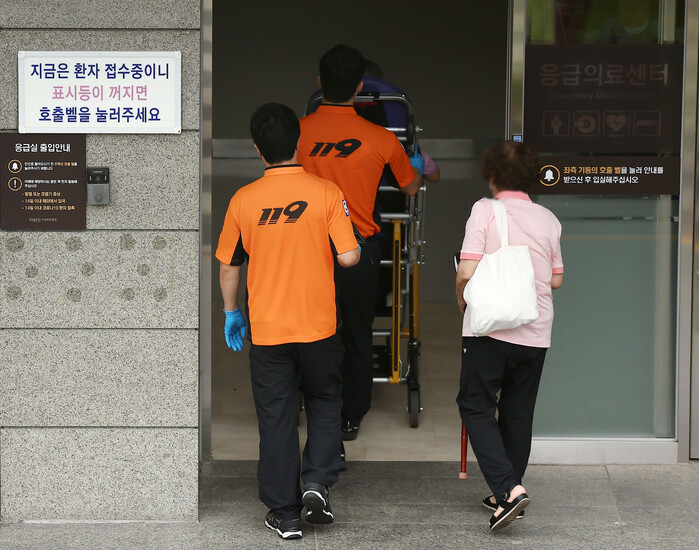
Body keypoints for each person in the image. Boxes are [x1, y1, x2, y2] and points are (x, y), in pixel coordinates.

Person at [216, 103, 360, 540]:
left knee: (276, 416)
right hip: (319, 327)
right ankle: (317, 483)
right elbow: (348, 257)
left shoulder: (243, 200)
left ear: (257, 149)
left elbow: (229, 264)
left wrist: (231, 311)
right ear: (298, 142)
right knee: (325, 401)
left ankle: (286, 513)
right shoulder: (327, 192)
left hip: (269, 330)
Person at [298, 45, 422, 446]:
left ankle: (314, 407)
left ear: (320, 82)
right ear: (360, 87)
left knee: (309, 333)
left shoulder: (297, 132)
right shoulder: (381, 138)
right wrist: (417, 167)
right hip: (358, 250)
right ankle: (350, 417)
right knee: (355, 335)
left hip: (304, 250)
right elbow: (410, 187)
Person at [455, 141, 563, 532]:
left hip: (490, 328)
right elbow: (556, 279)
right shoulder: (549, 218)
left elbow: (467, 271)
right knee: (518, 411)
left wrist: (462, 301)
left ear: (493, 176)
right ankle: (508, 490)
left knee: (475, 403)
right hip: (535, 329)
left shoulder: (485, 210)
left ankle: (509, 490)